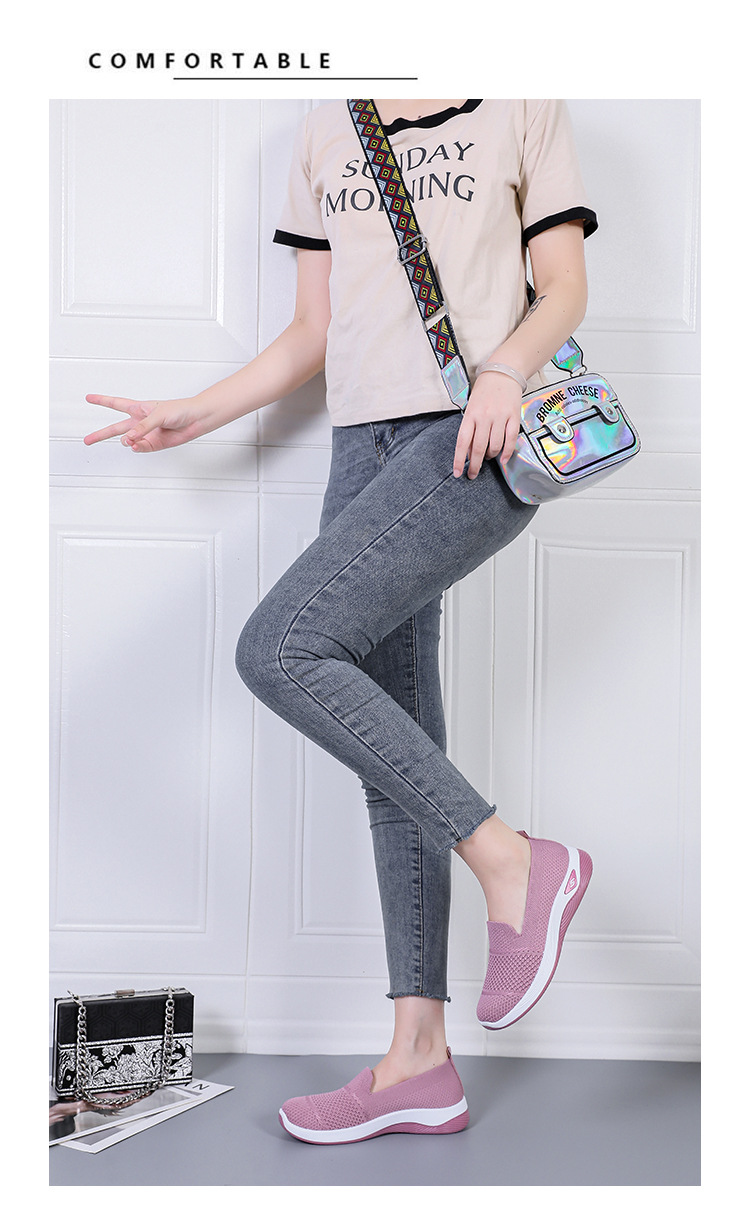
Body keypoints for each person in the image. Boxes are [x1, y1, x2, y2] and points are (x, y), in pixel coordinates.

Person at [84, 98, 597, 1145]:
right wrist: (197, 411)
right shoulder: (330, 123)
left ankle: (512, 859)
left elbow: (565, 286)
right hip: (359, 452)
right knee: (390, 750)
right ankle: (420, 1061)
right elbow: (314, 332)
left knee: (279, 648)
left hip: (472, 431)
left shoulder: (519, 99)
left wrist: (504, 371)